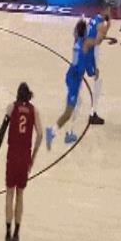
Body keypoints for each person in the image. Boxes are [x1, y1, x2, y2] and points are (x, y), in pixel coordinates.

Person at [0, 82, 43, 241]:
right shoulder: (34, 111)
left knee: (9, 194)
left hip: (13, 155)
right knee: (20, 194)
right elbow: (40, 134)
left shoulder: (11, 108)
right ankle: (16, 234)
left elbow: (2, 130)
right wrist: (33, 157)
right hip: (24, 157)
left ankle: (7, 234)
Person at [46, 19, 97, 149]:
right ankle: (52, 131)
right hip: (74, 81)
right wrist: (93, 72)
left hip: (72, 77)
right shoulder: (84, 47)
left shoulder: (78, 42)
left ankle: (69, 132)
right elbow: (86, 69)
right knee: (69, 112)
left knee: (78, 104)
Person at [85, 7, 111, 124]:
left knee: (96, 81)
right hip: (92, 53)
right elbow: (99, 41)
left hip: (86, 50)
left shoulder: (93, 19)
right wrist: (107, 27)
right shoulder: (101, 24)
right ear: (105, 11)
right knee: (98, 81)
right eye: (109, 11)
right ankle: (93, 113)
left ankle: (92, 112)